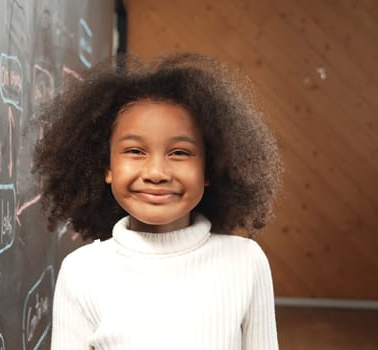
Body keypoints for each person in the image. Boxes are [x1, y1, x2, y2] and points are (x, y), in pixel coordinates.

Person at [33, 53, 282, 349]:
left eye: (179, 153)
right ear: (106, 166)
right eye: (135, 151)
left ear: (209, 169)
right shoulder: (82, 272)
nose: (156, 173)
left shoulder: (246, 261)